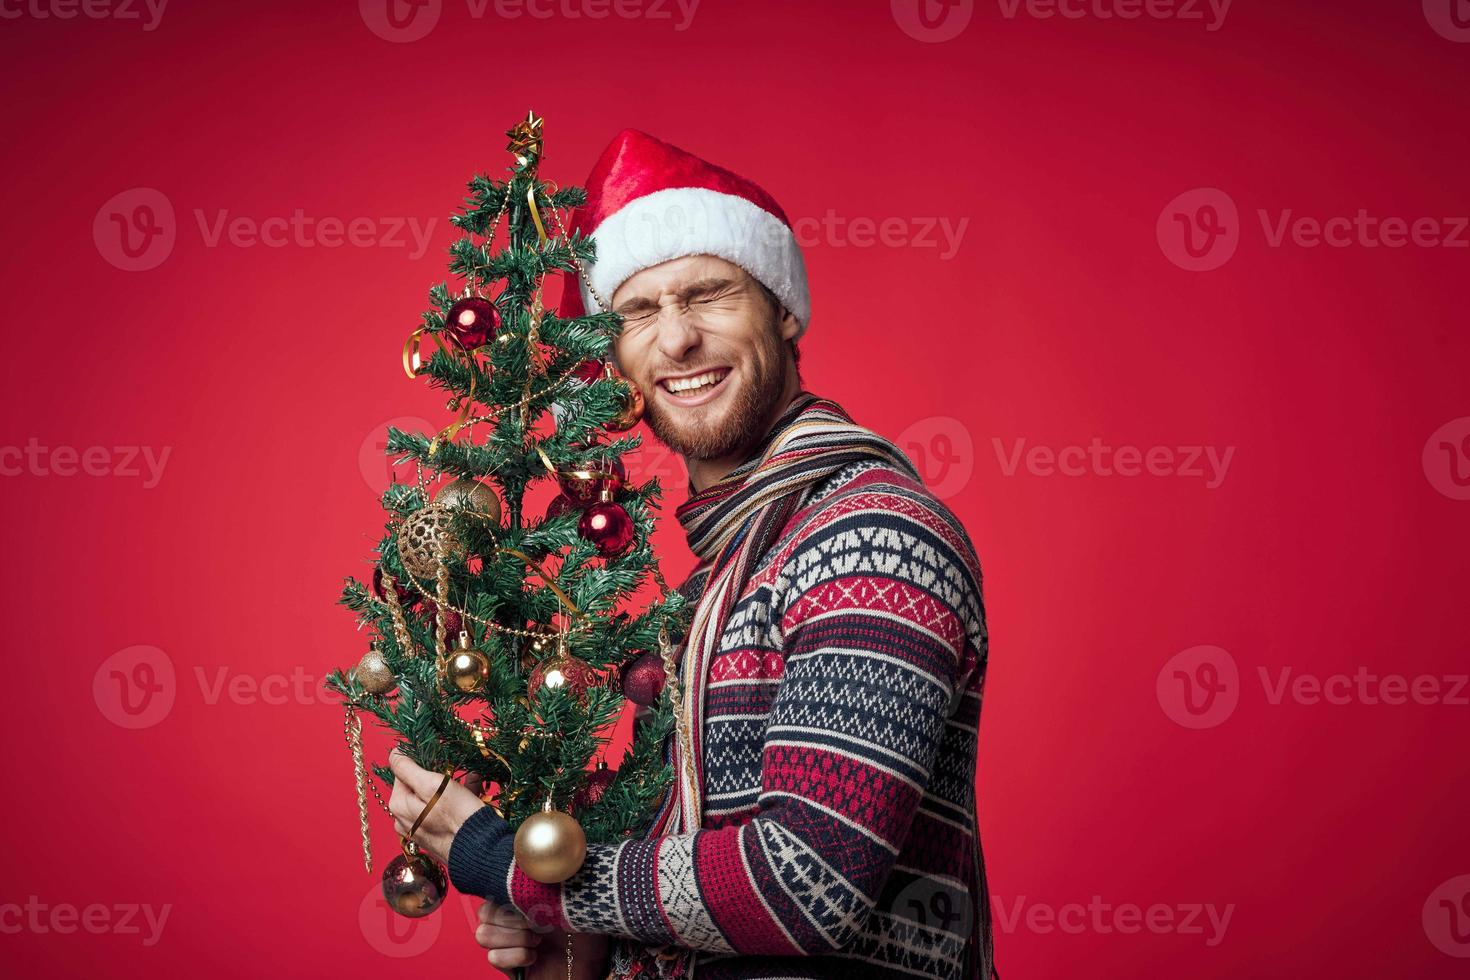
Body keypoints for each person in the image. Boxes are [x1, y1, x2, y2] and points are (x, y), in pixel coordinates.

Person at [387, 129, 995, 979]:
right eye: (637, 312)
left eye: (708, 293)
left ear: (781, 306)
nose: (675, 341)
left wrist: (512, 865)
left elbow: (808, 884)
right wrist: (586, 944)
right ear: (614, 358)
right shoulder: (724, 572)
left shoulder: (870, 535)